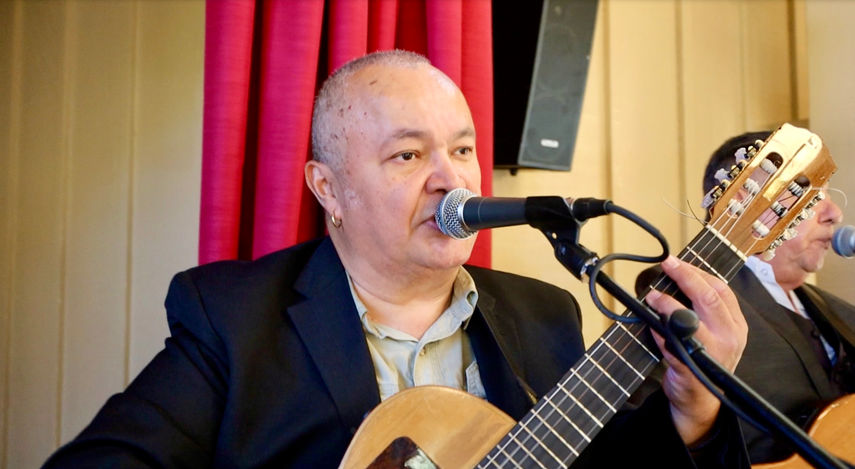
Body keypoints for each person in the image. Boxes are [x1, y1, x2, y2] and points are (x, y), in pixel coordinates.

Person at [44, 50, 749, 468]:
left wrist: (693, 414)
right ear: (330, 188)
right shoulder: (231, 315)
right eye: (408, 155)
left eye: (463, 148)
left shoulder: (544, 312)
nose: (451, 180)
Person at [701, 131, 855, 463]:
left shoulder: (843, 314)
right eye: (812, 198)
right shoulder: (699, 305)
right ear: (749, 201)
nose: (834, 214)